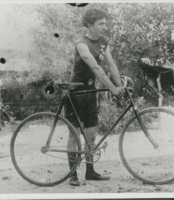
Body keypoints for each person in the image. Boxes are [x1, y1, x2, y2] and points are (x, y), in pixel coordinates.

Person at [64, 8, 125, 187]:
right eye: (101, 24)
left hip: (90, 92)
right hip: (76, 93)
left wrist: (119, 83)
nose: (105, 27)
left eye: (105, 23)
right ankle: (72, 174)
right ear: (90, 25)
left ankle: (90, 172)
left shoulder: (103, 42)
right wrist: (113, 88)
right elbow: (96, 69)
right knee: (74, 135)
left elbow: (111, 64)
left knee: (91, 135)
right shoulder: (81, 44)